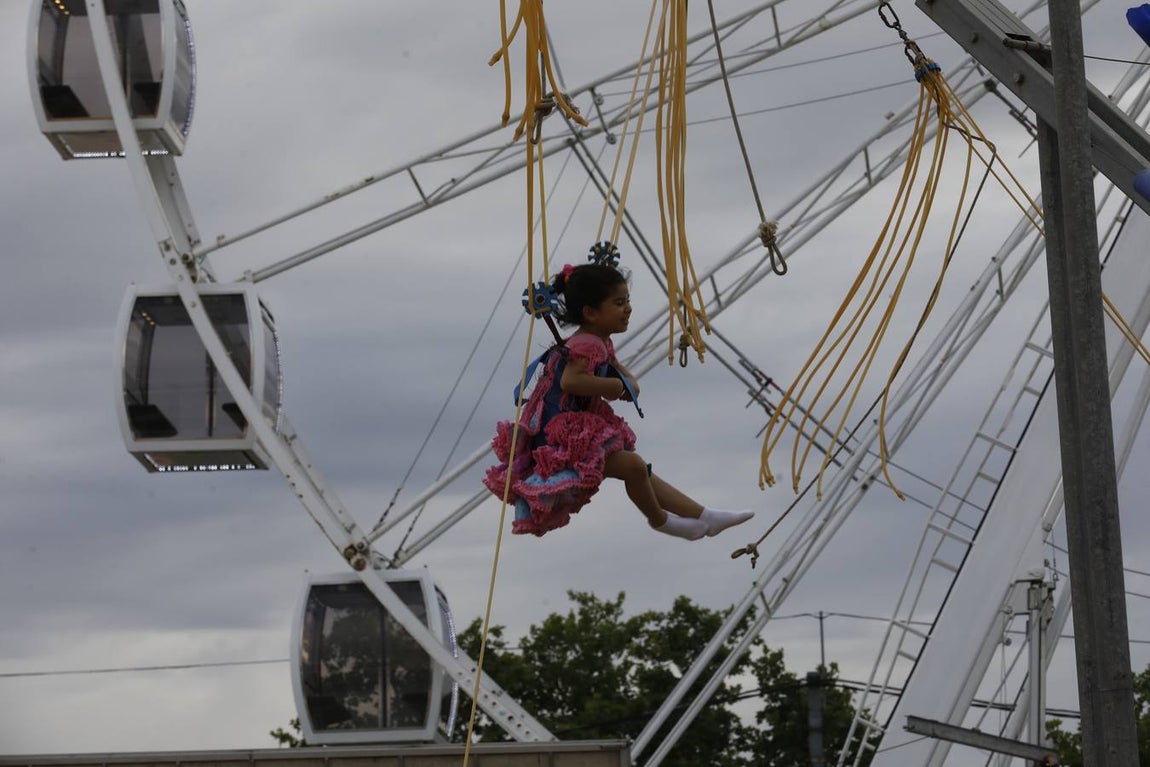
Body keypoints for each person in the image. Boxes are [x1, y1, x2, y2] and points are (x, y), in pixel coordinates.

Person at [483, 260, 755, 540]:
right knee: (634, 467)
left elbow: (624, 380)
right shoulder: (586, 344)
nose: (628, 309)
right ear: (590, 312)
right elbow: (571, 381)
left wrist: (623, 384)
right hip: (560, 439)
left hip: (574, 431)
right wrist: (610, 385)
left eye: (627, 301)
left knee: (640, 472)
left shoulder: (599, 342)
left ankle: (703, 515)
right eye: (618, 303)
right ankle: (663, 521)